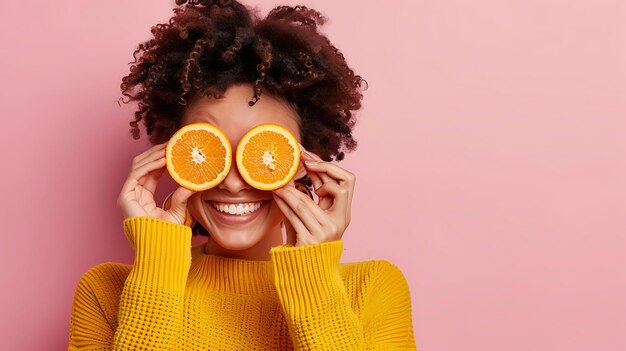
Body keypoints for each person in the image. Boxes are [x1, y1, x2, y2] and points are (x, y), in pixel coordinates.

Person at [68, 0, 416, 350]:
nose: (233, 183)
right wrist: (157, 259)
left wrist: (314, 276)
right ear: (175, 154)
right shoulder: (106, 291)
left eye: (262, 152)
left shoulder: (371, 288)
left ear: (305, 161)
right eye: (208, 148)